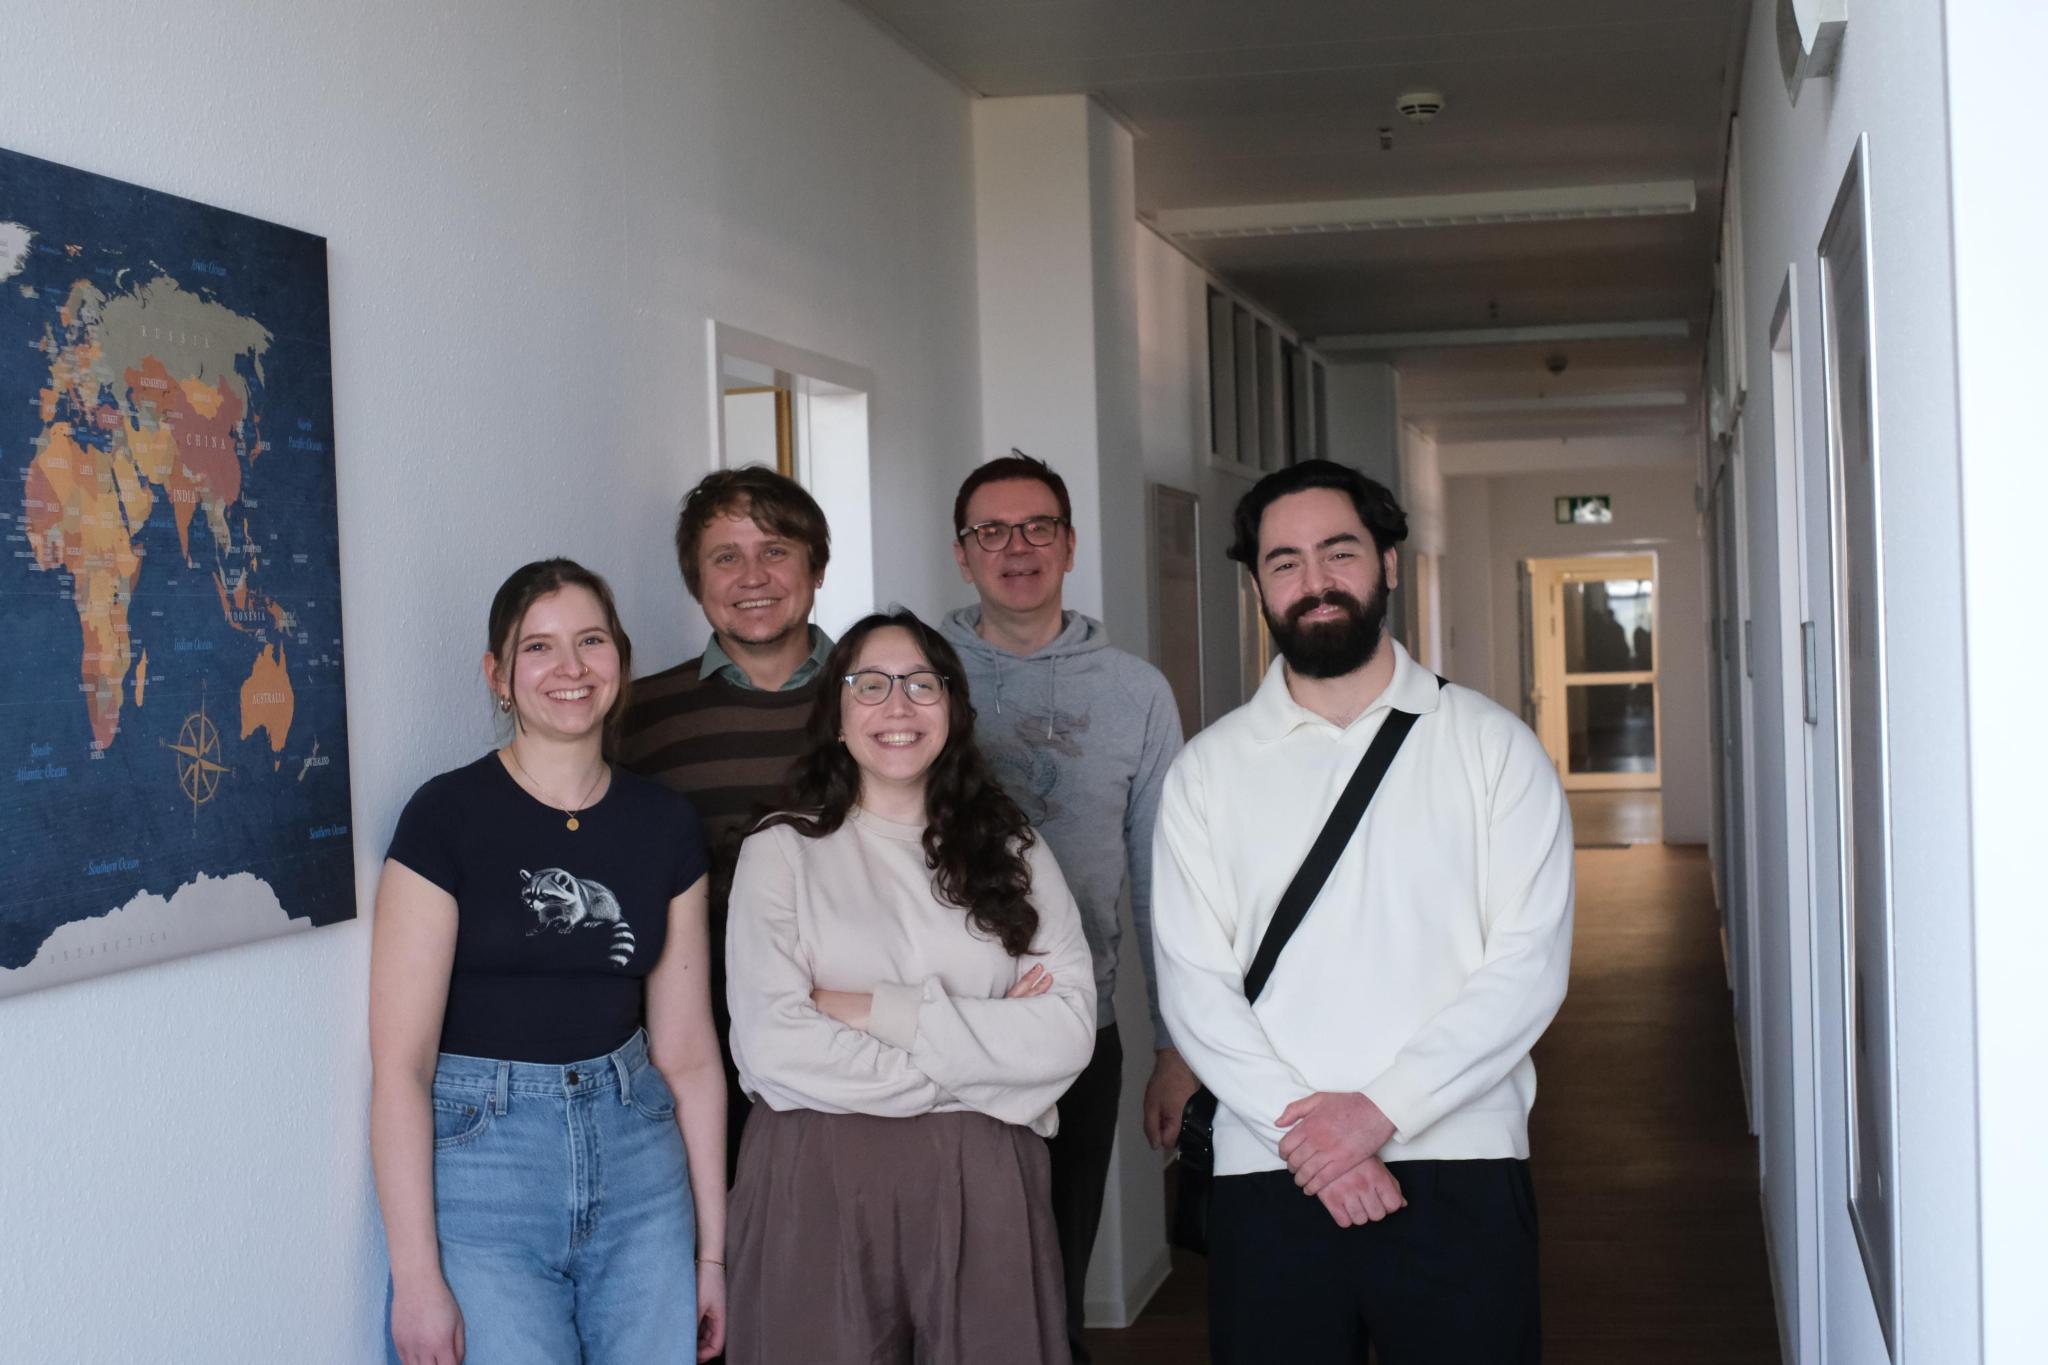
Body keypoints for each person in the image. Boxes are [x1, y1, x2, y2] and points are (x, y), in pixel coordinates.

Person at [1151, 461, 1574, 1364]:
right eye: (1285, 561)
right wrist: (1314, 1135)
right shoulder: (1207, 772)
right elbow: (1194, 986)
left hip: (1461, 1160)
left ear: (1387, 562)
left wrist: (1378, 1111)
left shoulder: (1493, 748)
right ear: (1257, 585)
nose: (1315, 581)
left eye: (1338, 552)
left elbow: (1528, 968)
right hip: (1274, 1165)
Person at [369, 558, 728, 1364]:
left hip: (640, 1162)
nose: (571, 666)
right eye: (538, 646)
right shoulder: (444, 816)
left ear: (620, 660)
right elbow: (401, 1069)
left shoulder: (665, 822)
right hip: (484, 1171)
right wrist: (416, 1277)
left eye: (591, 640)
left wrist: (712, 1256)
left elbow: (689, 1054)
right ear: (498, 675)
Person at [723, 610, 1096, 1365]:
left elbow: (1068, 1031)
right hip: (819, 1177)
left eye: (922, 684)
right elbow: (770, 1045)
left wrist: (873, 1010)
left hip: (985, 1180)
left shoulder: (1014, 849)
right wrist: (982, 1062)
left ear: (953, 707)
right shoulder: (781, 850)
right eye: (871, 685)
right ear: (836, 714)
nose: (898, 705)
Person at [939, 453, 1191, 1361]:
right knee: (945, 1286)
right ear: (962, 552)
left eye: (1038, 526)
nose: (1017, 547)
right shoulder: (916, 674)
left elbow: (1165, 879)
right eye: (991, 530)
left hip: (1078, 1030)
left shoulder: (1135, 692)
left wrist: (1175, 1046)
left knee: (1051, 1291)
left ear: (1071, 544)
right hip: (938, 1028)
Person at [617, 467, 834, 1176]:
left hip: (864, 1049)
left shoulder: (884, 699)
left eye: (775, 550)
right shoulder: (638, 717)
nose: (753, 576)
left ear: (816, 567)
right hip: (698, 1052)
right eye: (725, 557)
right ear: (696, 581)